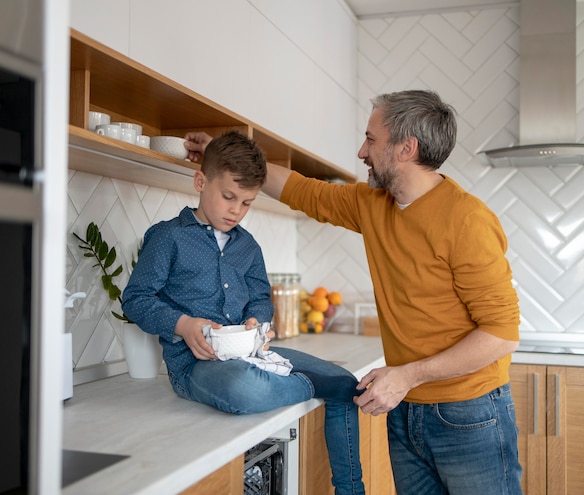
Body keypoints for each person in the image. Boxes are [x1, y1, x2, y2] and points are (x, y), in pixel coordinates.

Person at [186, 90, 523, 495]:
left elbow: (502, 334)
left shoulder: (466, 219)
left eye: (371, 139)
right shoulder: (374, 204)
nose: (362, 151)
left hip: (469, 414)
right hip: (406, 408)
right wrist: (220, 156)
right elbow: (300, 190)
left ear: (406, 148)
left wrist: (408, 376)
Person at [122, 130, 365, 495]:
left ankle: (351, 490)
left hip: (255, 354)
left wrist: (259, 321)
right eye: (229, 197)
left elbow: (260, 298)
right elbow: (136, 298)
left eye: (247, 202)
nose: (236, 210)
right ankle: (315, 386)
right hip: (194, 366)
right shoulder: (168, 237)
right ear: (201, 181)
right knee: (243, 390)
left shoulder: (248, 246)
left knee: (347, 381)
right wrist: (183, 324)